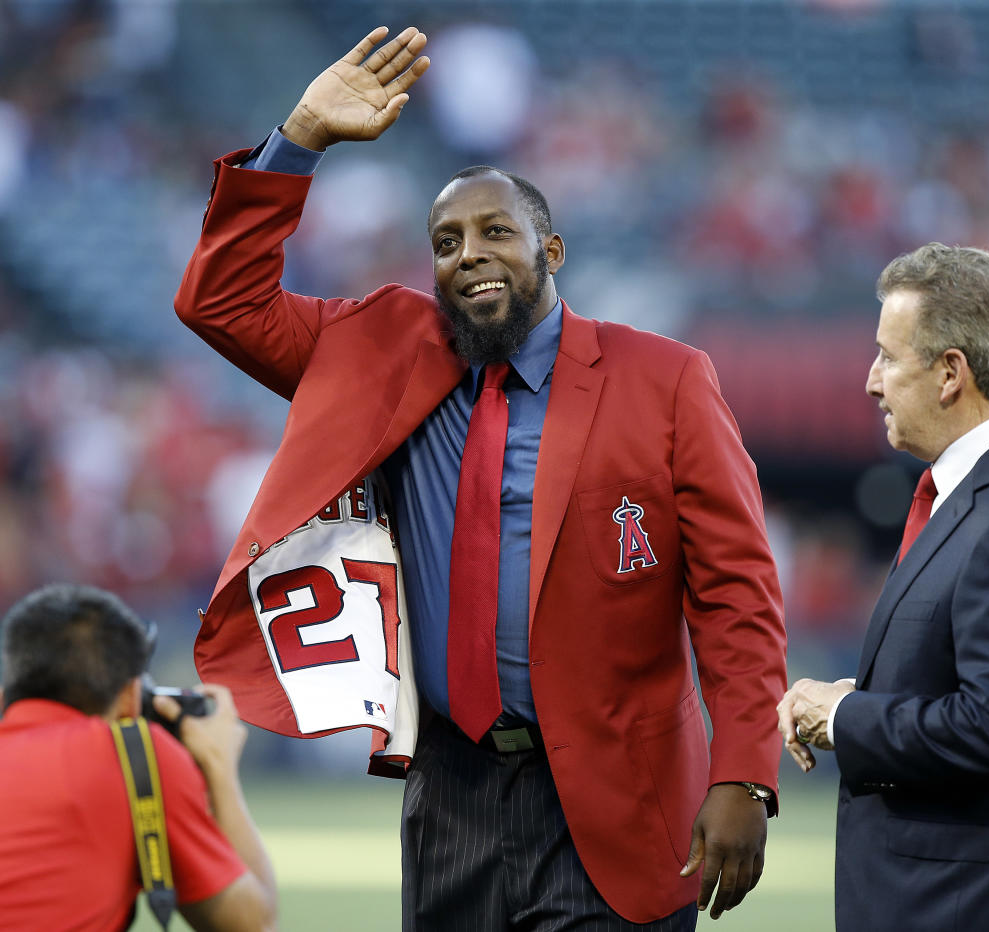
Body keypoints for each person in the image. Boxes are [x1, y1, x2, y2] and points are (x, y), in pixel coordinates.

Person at [174, 25, 787, 930]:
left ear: (554, 251)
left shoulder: (665, 378)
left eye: (498, 231)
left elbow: (737, 594)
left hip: (617, 795)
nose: (470, 254)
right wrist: (300, 137)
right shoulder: (380, 345)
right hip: (450, 791)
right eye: (447, 241)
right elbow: (220, 301)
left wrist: (744, 776)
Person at [776, 243, 989, 931]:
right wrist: (863, 699)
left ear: (951, 373)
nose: (871, 382)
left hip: (981, 908)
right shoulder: (985, 495)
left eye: (888, 358)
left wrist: (841, 721)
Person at [0, 583, 277, 932]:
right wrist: (218, 767)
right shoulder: (134, 753)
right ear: (132, 697)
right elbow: (254, 925)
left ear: (4, 696)